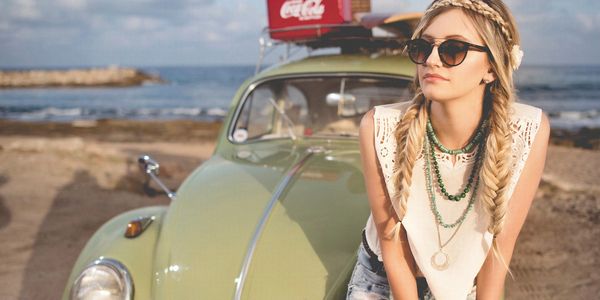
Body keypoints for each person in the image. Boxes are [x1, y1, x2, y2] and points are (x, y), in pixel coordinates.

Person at [346, 0, 550, 299]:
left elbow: (498, 252)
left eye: (453, 49)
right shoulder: (380, 126)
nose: (431, 59)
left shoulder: (528, 129)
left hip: (464, 283)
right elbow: (394, 249)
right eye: (423, 47)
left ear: (491, 68)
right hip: (384, 280)